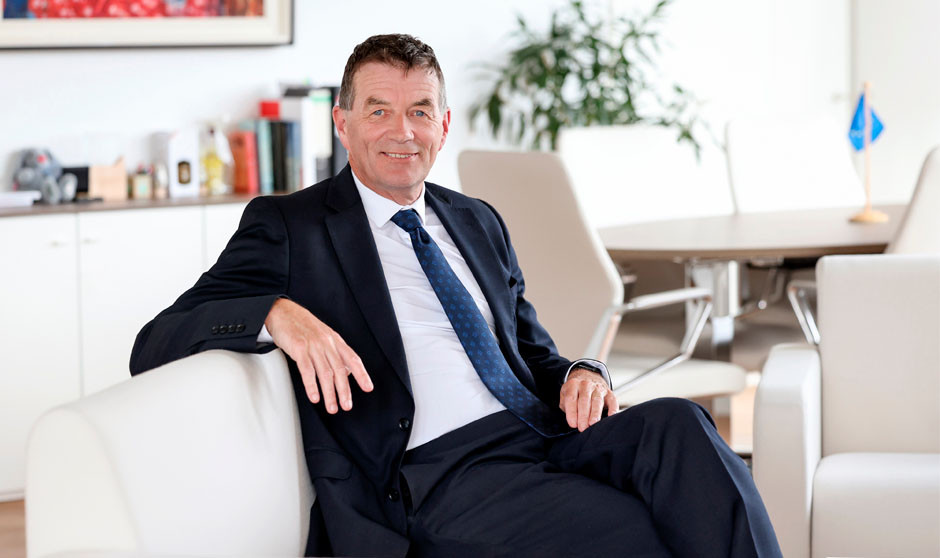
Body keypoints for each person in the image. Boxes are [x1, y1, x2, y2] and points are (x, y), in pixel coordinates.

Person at [130, 34, 782, 558]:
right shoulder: (290, 226)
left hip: (542, 433)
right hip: (435, 475)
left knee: (682, 426)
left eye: (419, 112)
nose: (402, 131)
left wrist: (581, 372)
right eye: (379, 110)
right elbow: (155, 340)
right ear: (342, 124)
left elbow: (533, 352)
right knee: (638, 531)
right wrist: (275, 313)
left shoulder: (476, 219)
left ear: (443, 126)